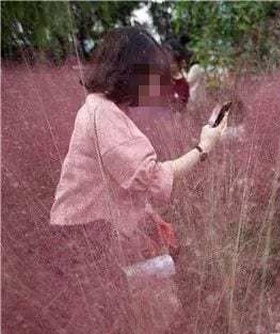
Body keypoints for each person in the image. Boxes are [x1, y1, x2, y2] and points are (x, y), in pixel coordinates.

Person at [49, 27, 228, 333]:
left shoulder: (101, 109)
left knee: (129, 306)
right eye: (153, 77)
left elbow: (118, 182)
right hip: (89, 236)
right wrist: (204, 148)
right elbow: (152, 177)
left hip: (89, 232)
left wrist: (149, 217)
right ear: (132, 73)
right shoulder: (103, 115)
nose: (155, 88)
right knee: (120, 314)